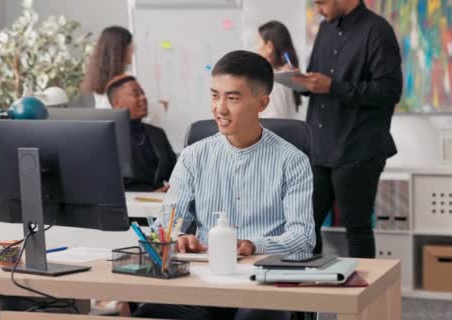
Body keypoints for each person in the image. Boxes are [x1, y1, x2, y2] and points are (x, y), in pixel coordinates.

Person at [133, 51, 315, 320]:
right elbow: (165, 228)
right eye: (215, 95)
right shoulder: (193, 157)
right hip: (204, 282)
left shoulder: (292, 160)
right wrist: (178, 240)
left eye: (232, 98)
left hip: (262, 283)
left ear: (262, 103)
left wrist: (252, 245)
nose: (220, 108)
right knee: (154, 313)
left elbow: (303, 239)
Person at [292, 0, 403, 258]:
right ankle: (311, 289)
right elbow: (319, 80)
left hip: (358, 148)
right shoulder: (325, 29)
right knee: (305, 226)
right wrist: (302, 82)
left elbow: (389, 91)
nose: (318, 9)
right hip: (319, 146)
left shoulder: (377, 31)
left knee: (357, 227)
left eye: (321, 2)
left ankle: (363, 297)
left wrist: (334, 87)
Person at [106, 75, 176, 192]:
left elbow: (176, 172)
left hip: (161, 203)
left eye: (143, 93)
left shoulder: (157, 134)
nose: (143, 97)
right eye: (136, 94)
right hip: (129, 205)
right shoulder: (108, 137)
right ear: (117, 104)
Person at [256, 21, 302, 119]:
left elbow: (276, 120)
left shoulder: (275, 81)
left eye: (258, 42)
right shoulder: (284, 76)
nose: (257, 48)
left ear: (269, 47)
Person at [81, 26, 134, 109]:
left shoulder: (98, 77)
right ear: (121, 49)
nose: (133, 51)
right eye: (131, 47)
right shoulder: (127, 80)